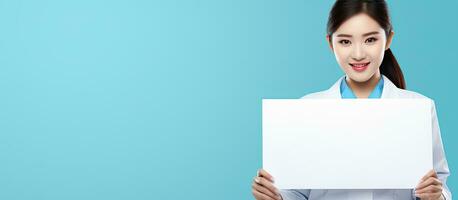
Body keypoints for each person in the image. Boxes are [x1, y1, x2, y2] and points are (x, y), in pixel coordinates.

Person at [251, 0, 452, 199]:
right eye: (345, 41)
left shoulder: (418, 108)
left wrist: (435, 195)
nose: (358, 54)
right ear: (330, 43)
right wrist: (275, 196)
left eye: (370, 40)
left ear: (388, 39)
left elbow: (438, 184)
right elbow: (296, 191)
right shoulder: (307, 109)